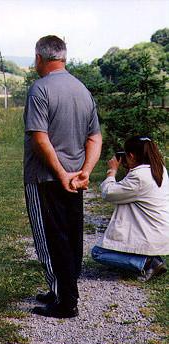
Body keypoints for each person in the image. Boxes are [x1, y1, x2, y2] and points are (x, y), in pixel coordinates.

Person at [23, 35, 102, 318]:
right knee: (70, 236)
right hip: (76, 179)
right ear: (64, 58)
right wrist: (85, 172)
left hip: (45, 177)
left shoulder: (39, 90)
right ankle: (63, 290)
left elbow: (39, 137)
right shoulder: (82, 90)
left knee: (48, 238)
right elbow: (95, 137)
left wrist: (59, 173)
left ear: (39, 58)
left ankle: (65, 301)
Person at [91, 136, 169, 281]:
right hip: (157, 233)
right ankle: (149, 258)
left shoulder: (139, 176)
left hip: (149, 234)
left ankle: (147, 263)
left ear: (131, 156)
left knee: (98, 253)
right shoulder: (160, 170)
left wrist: (112, 171)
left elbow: (109, 193)